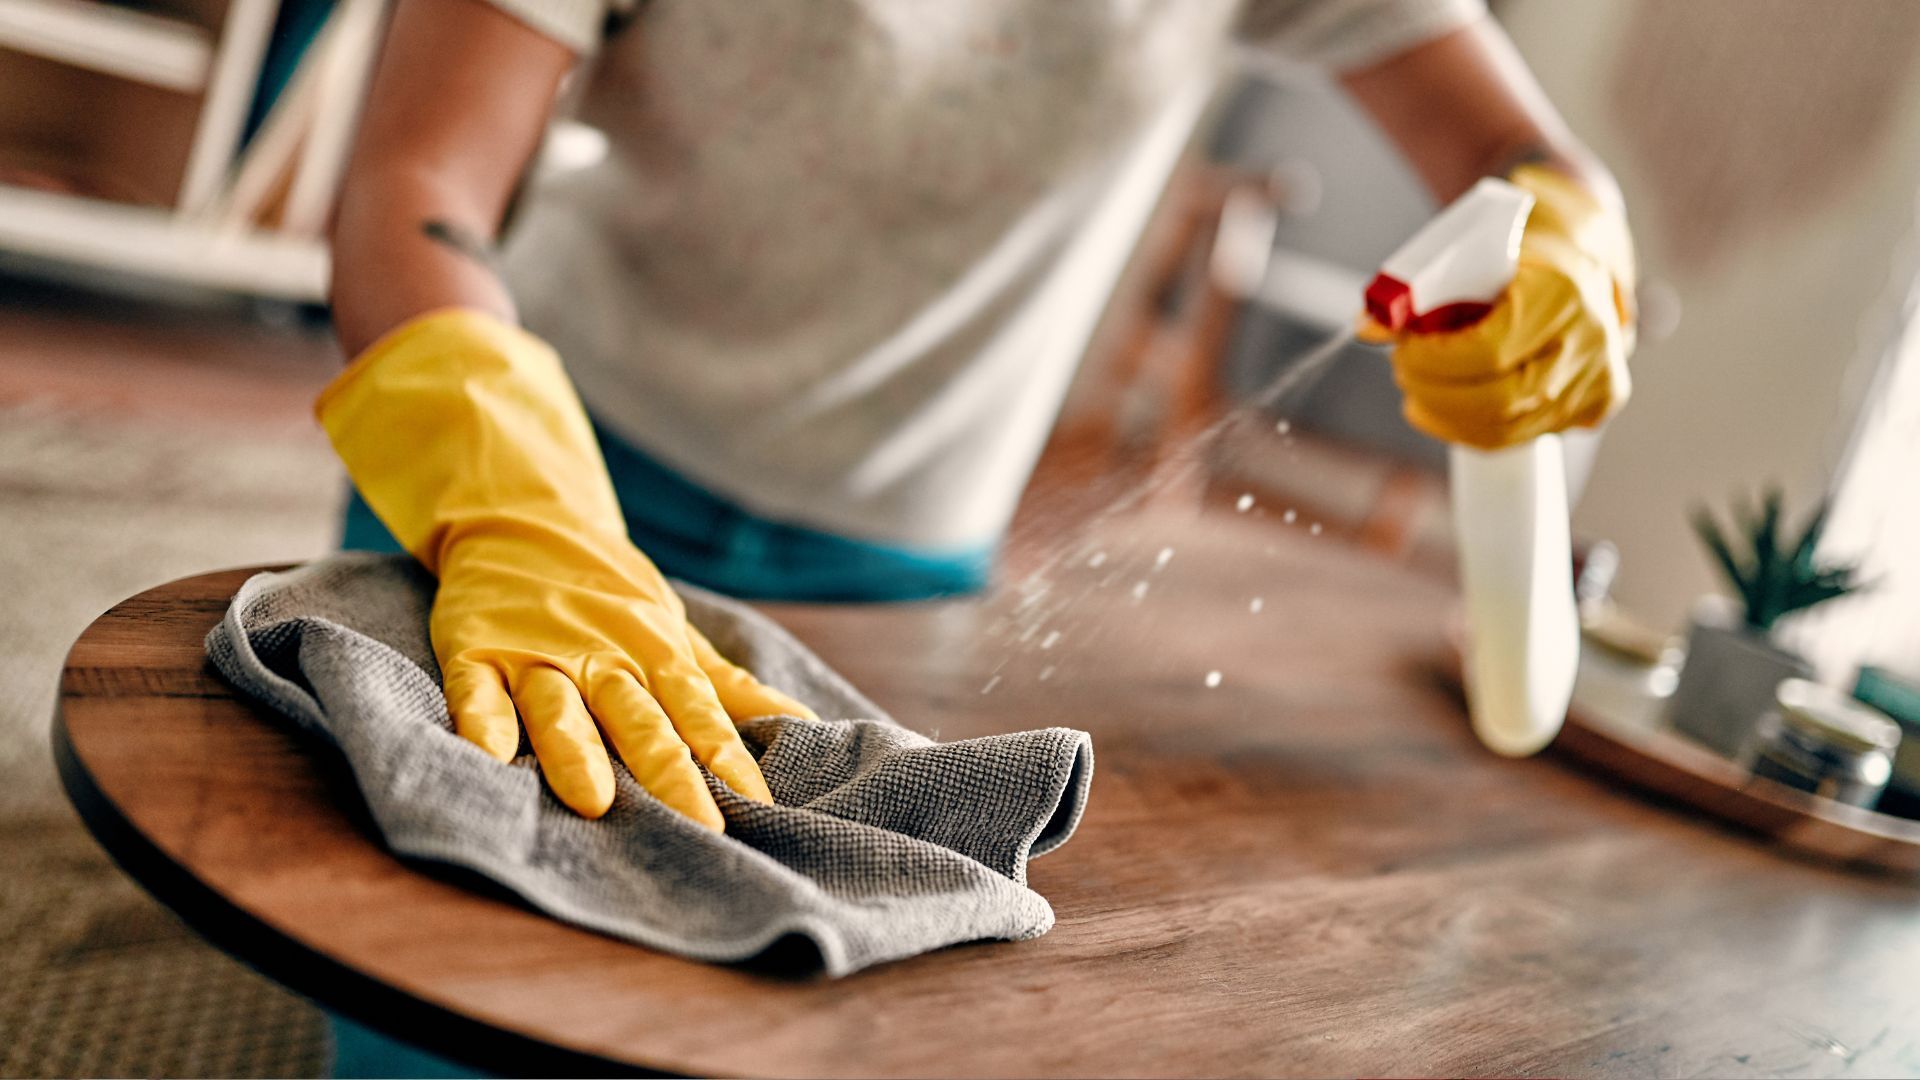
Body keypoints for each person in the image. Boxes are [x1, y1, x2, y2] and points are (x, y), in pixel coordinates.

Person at [324, 0, 1635, 830]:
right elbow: (418, 176)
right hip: (522, 478)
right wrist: (517, 512)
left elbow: (1528, 159)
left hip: (899, 571)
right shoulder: (514, 500)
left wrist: (1571, 243)